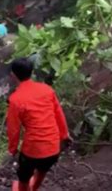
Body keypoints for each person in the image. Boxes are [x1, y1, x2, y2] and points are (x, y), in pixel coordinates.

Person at [7, 58, 70, 191]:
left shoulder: (15, 99)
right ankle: (34, 188)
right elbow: (59, 114)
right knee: (42, 171)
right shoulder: (47, 90)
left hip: (32, 152)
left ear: (13, 75)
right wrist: (65, 135)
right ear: (31, 72)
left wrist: (13, 149)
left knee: (23, 180)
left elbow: (14, 129)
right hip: (53, 149)